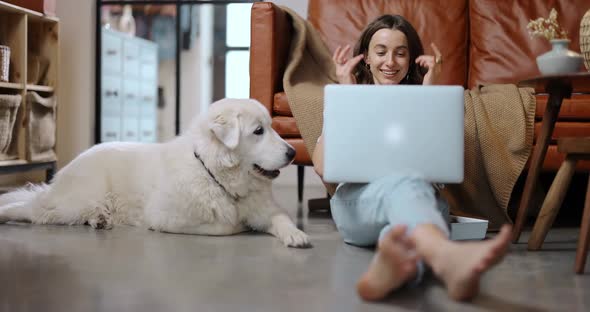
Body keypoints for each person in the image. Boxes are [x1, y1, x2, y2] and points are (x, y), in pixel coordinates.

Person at [312, 14, 512, 301]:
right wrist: (343, 94)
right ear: (366, 58)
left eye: (400, 53)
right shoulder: (347, 99)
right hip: (357, 205)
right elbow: (322, 166)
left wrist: (430, 94)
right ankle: (447, 258)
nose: (390, 62)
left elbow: (443, 164)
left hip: (420, 203)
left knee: (400, 233)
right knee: (406, 182)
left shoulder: (427, 98)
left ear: (411, 60)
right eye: (380, 52)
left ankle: (393, 270)